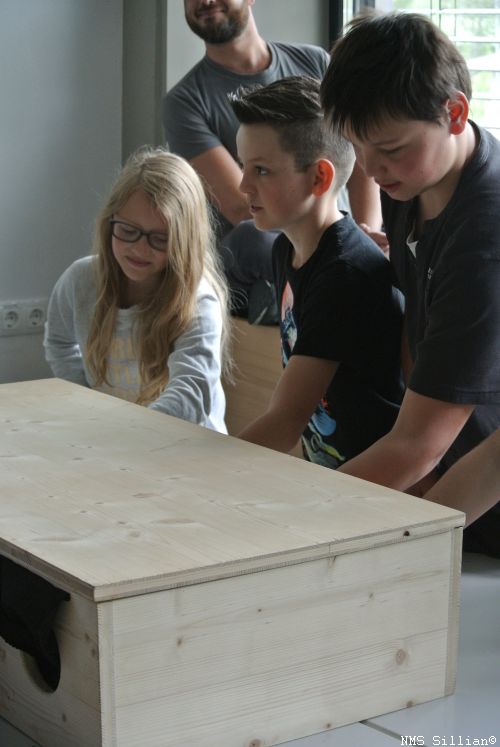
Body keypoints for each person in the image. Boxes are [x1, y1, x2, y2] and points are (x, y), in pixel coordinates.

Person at [320, 11, 500, 552]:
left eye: (390, 148)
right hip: (448, 467)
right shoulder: (417, 179)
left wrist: (301, 516)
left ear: (455, 113)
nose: (372, 168)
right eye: (358, 146)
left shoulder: (483, 243)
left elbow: (420, 446)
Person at [161, 0, 386, 317]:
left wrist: (365, 235)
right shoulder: (184, 102)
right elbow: (242, 205)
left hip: (338, 233)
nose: (205, 1)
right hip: (260, 251)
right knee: (254, 238)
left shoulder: (316, 62)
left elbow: (360, 153)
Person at [230, 76, 404, 467]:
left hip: (370, 485)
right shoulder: (285, 248)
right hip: (325, 473)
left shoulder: (346, 275)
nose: (243, 185)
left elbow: (285, 422)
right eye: (243, 166)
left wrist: (194, 473)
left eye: (261, 170)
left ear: (319, 177)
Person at [44, 147, 230, 433]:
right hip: (118, 439)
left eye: (160, 238)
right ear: (110, 222)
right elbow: (59, 342)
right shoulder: (80, 280)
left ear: (184, 241)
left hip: (186, 444)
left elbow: (190, 395)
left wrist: (127, 433)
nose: (140, 249)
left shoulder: (198, 302)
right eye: (128, 230)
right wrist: (87, 405)